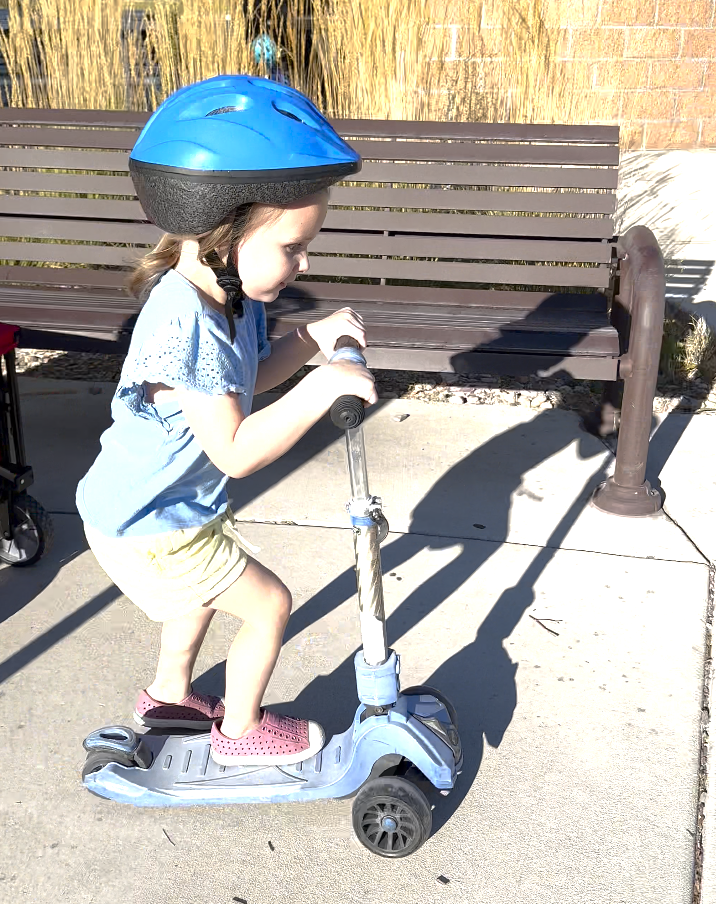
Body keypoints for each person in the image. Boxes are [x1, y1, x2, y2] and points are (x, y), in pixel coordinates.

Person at [76, 75, 377, 767]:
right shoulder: (185, 324)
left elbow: (245, 381)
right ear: (224, 233)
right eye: (293, 248)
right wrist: (318, 390)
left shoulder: (232, 297)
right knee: (270, 604)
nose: (305, 261)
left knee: (199, 602)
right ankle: (241, 733)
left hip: (160, 511)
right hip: (151, 525)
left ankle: (167, 696)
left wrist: (306, 343)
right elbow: (235, 449)